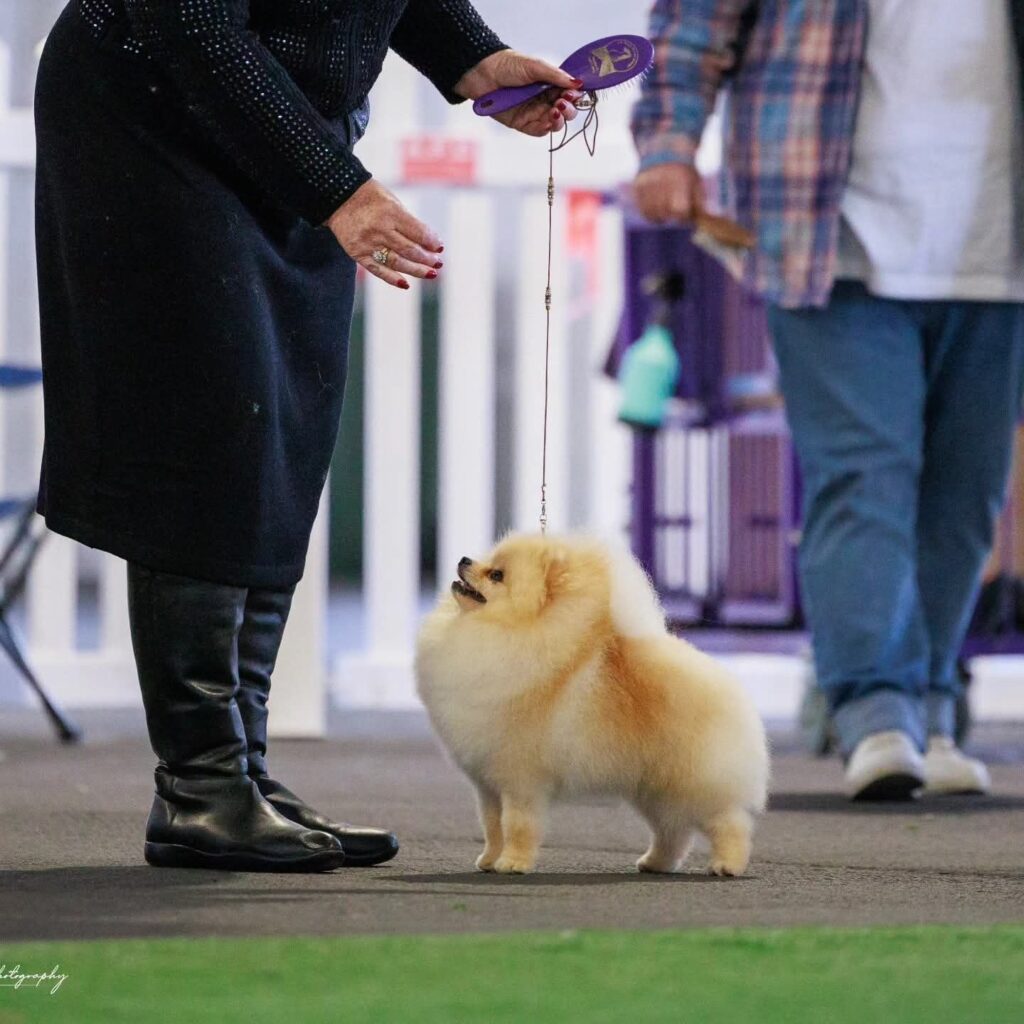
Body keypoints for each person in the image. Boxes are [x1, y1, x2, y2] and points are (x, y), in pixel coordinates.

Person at [35, 0, 584, 871]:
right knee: (211, 433)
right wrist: (336, 186)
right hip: (156, 111)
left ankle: (236, 772)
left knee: (275, 433)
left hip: (276, 114)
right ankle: (201, 787)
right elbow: (195, 28)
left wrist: (471, 59)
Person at [631, 0, 1024, 799]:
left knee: (966, 496)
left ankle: (932, 705)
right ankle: (875, 709)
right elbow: (694, 25)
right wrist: (668, 145)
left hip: (998, 249)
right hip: (825, 237)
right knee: (863, 476)